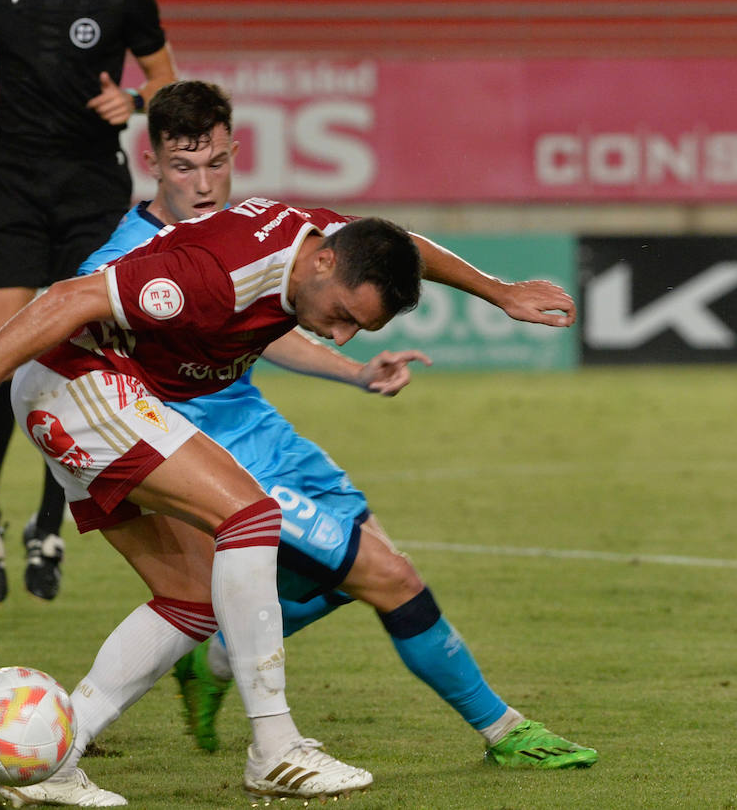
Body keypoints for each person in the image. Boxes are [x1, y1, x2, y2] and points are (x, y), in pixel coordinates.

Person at [0, 131, 576, 804]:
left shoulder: (325, 239)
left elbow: (405, 248)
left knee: (188, 595)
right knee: (250, 515)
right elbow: (65, 299)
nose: (336, 334)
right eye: (338, 315)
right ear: (324, 266)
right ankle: (275, 748)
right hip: (79, 380)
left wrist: (499, 291)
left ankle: (53, 762)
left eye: (356, 331)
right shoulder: (212, 278)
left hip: (90, 393)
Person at [78, 80, 597, 775]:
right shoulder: (132, 257)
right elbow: (71, 323)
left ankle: (216, 658)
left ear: (235, 152)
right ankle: (503, 728)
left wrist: (497, 293)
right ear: (153, 162)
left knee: (352, 566)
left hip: (256, 422)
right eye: (183, 166)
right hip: (199, 444)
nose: (204, 184)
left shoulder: (258, 230)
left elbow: (379, 251)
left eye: (217, 164)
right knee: (388, 575)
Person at [0, 0, 178, 602]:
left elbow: (166, 78)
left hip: (91, 191)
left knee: (67, 350)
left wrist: (132, 104)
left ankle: (47, 523)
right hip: (12, 184)